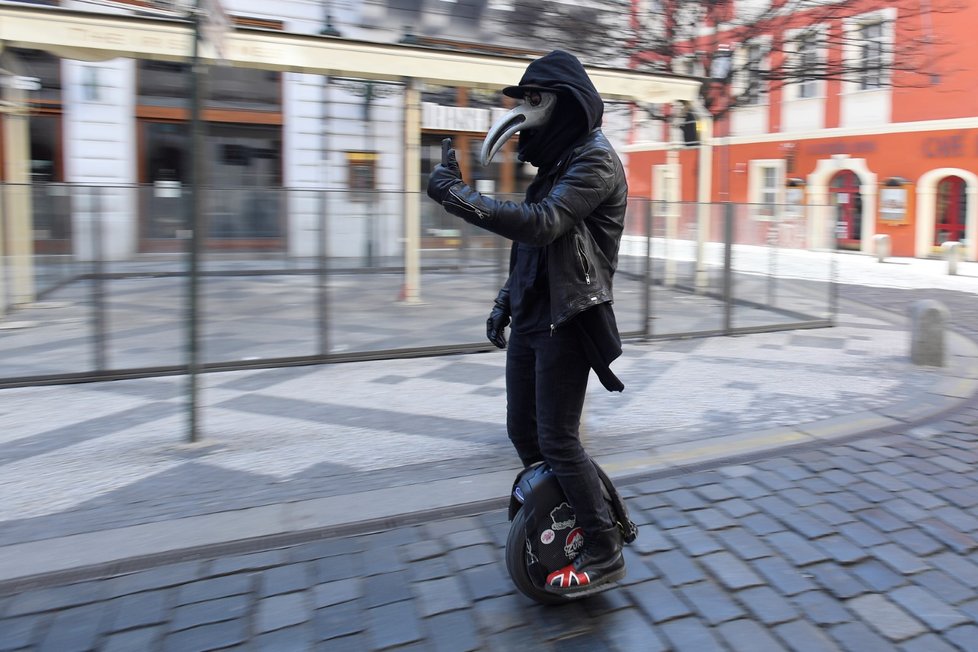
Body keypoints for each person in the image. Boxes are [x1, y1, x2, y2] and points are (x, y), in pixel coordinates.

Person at [426, 50, 628, 594]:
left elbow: (543, 226)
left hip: (569, 318)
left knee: (559, 440)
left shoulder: (594, 160)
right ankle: (571, 523)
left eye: (534, 100)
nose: (522, 111)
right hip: (535, 317)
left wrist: (460, 199)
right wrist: (504, 302)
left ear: (564, 103)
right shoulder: (557, 164)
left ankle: (605, 549)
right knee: (525, 433)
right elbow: (533, 252)